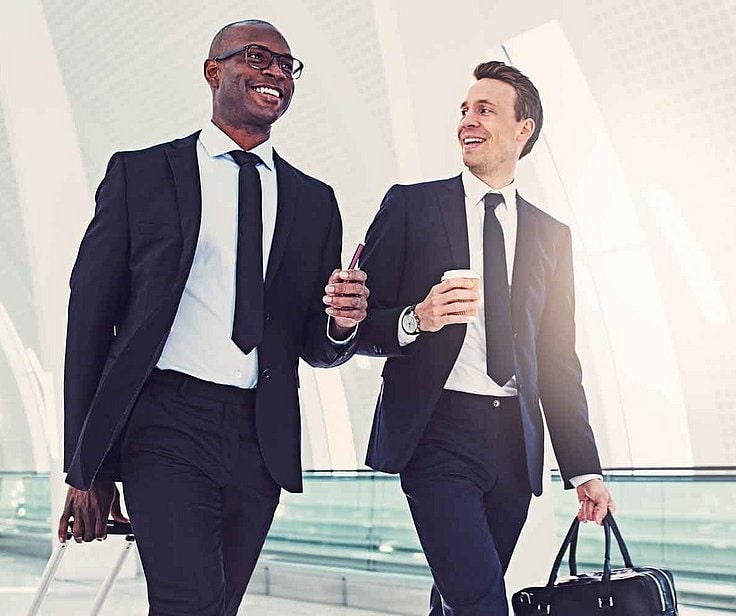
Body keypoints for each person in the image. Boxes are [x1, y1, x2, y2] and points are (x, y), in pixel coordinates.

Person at [57, 19, 368, 616]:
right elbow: (88, 323)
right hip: (165, 423)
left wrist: (341, 323)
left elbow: (311, 341)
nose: (276, 73)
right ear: (213, 71)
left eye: (287, 65)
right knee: (190, 601)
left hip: (259, 436)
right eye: (257, 57)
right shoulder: (140, 175)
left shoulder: (314, 201)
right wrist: (84, 464)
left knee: (216, 606)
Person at [357, 61, 614, 615]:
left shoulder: (551, 235)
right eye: (464, 110)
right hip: (437, 433)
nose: (467, 121)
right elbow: (357, 322)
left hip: (514, 444)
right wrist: (416, 318)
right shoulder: (411, 207)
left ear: (523, 129)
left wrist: (584, 468)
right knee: (481, 602)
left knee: (458, 601)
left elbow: (558, 362)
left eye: (485, 110)